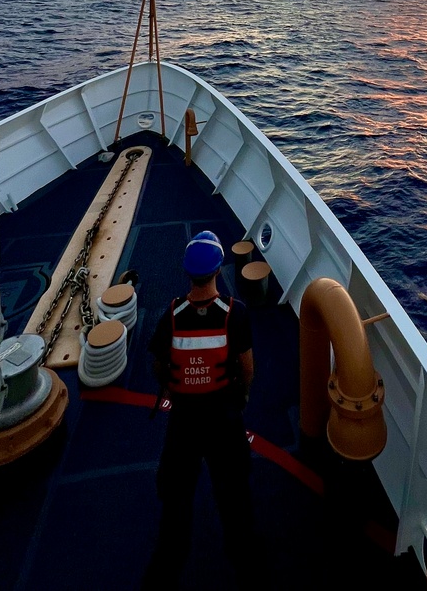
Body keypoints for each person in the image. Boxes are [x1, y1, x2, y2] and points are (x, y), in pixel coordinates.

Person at [140, 230, 256, 589]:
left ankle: (167, 570)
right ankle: (246, 566)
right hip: (224, 418)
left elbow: (160, 364)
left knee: (176, 501)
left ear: (187, 272)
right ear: (219, 269)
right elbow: (247, 367)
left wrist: (177, 386)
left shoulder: (171, 314)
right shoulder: (235, 314)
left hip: (185, 419)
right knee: (234, 496)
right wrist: (243, 396)